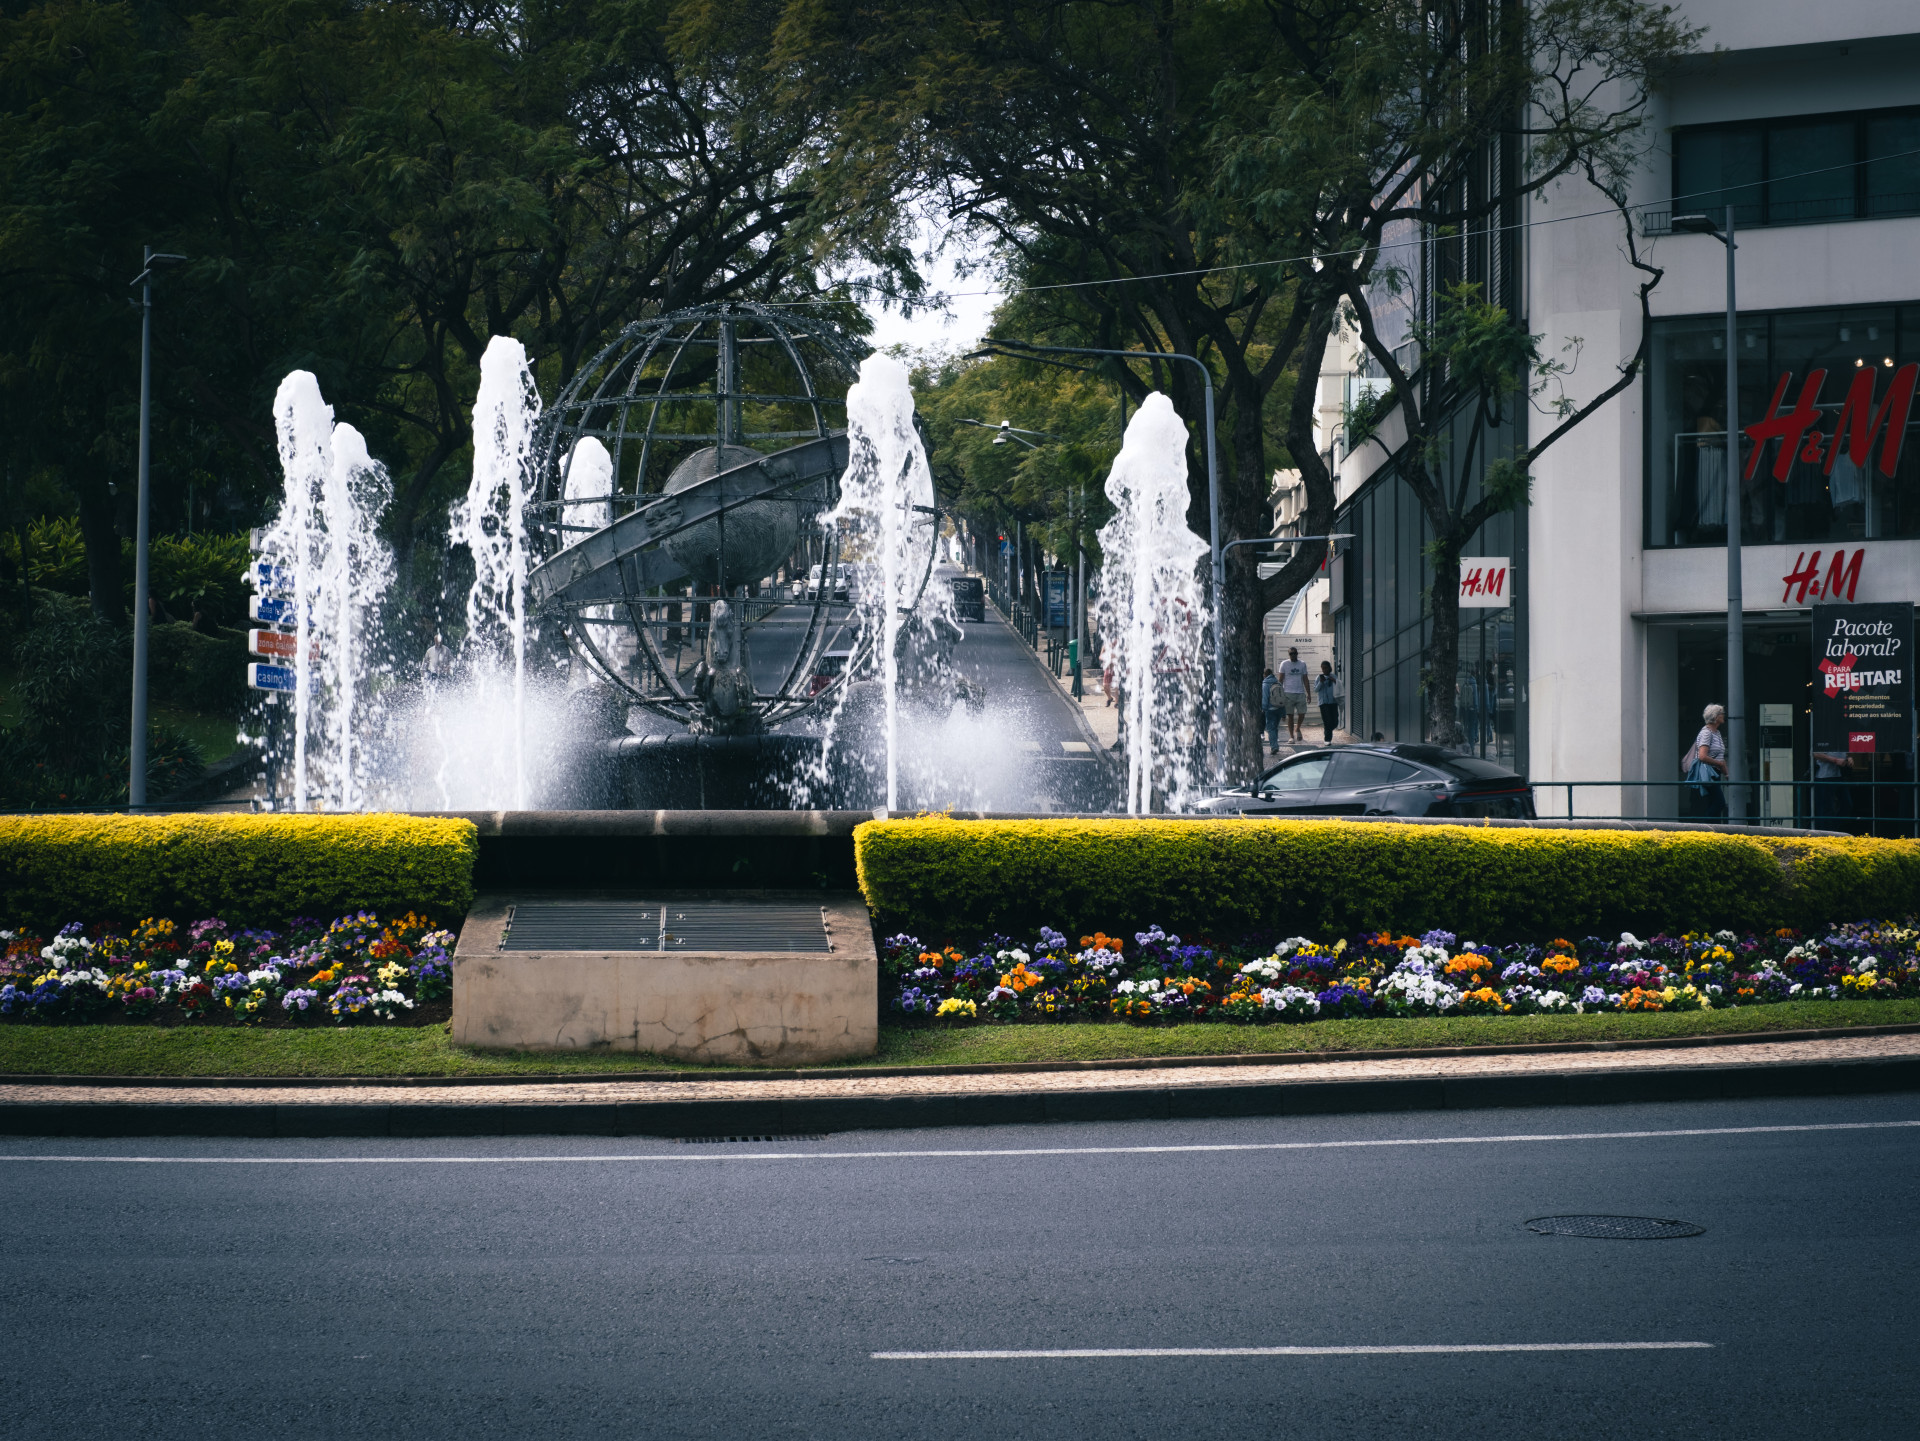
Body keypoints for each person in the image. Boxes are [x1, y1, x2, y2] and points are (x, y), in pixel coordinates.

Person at [1686, 703, 1729, 817]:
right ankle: (1706, 827)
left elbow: (1719, 755)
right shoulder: (1706, 733)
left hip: (1715, 773)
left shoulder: (1717, 733)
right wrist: (1720, 764)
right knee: (1719, 803)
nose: (1724, 715)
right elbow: (1702, 756)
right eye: (1721, 713)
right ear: (1715, 717)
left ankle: (1712, 830)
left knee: (1713, 803)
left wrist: (1725, 772)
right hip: (1709, 774)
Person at [1811, 746, 1852, 827]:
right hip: (1824, 777)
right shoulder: (1823, 736)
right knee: (1825, 809)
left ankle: (1833, 829)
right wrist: (1835, 760)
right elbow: (1815, 754)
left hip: (1839, 775)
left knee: (1847, 805)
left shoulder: (1838, 737)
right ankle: (1824, 834)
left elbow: (1843, 753)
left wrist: (1849, 758)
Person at [1278, 646, 1311, 743]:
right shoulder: (1284, 664)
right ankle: (1291, 736)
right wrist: (1279, 694)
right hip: (1288, 693)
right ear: (1289, 655)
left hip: (1300, 692)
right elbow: (1280, 680)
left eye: (1294, 653)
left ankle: (1298, 728)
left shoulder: (1302, 664)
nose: (1292, 655)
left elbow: (1305, 679)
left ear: (1297, 654)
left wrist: (1308, 694)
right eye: (1291, 654)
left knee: (1302, 714)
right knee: (1290, 716)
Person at [1314, 661, 1338, 743]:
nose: (1324, 670)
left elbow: (1339, 686)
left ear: (1329, 668)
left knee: (1335, 722)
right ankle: (1327, 739)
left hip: (1333, 702)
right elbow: (1316, 690)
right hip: (1323, 703)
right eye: (1322, 668)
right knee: (1327, 721)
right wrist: (1321, 682)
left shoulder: (1334, 676)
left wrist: (1333, 680)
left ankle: (1327, 730)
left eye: (1325, 668)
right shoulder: (1318, 677)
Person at [1260, 667, 1279, 752]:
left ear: (1265, 675)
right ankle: (1276, 744)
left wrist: (1263, 708)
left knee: (1270, 728)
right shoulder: (1277, 682)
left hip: (1270, 708)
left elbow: (1265, 697)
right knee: (1275, 727)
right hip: (1278, 708)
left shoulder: (1265, 684)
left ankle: (1274, 747)